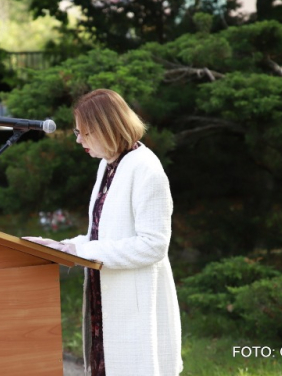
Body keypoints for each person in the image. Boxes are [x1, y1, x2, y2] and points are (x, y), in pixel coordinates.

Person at [25, 89, 183, 376]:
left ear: (107, 129)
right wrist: (61, 246)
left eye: (84, 133)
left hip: (136, 305)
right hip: (106, 303)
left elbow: (153, 245)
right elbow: (102, 236)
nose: (78, 140)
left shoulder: (147, 169)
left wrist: (81, 251)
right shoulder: (107, 166)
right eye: (77, 132)